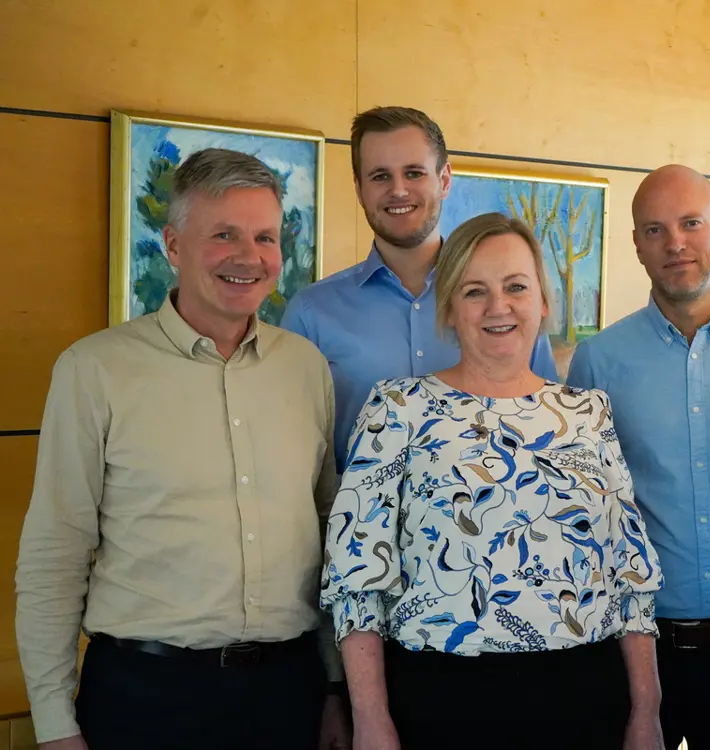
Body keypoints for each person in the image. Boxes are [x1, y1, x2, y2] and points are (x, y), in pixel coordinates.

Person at [15, 148, 349, 750]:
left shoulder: (305, 368)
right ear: (172, 245)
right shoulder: (96, 370)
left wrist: (332, 687)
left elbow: (329, 535)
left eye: (266, 237)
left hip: (288, 695)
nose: (249, 257)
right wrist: (53, 723)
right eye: (224, 235)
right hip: (146, 700)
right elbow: (54, 554)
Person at [320, 212, 665, 750]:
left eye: (516, 287)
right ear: (450, 309)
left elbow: (630, 574)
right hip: (440, 702)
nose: (498, 307)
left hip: (585, 697)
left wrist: (647, 712)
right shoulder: (398, 409)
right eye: (475, 291)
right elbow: (356, 579)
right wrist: (370, 718)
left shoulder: (586, 413)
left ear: (543, 302)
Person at [567, 164, 710, 749]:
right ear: (637, 247)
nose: (674, 244)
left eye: (691, 223)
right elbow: (588, 514)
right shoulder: (598, 362)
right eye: (654, 230)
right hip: (642, 646)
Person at [281, 106, 558, 475]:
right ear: (360, 189)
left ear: (444, 179)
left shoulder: (505, 311)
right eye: (380, 176)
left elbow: (543, 427)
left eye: (414, 172)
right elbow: (294, 457)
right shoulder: (310, 314)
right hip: (359, 526)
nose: (398, 190)